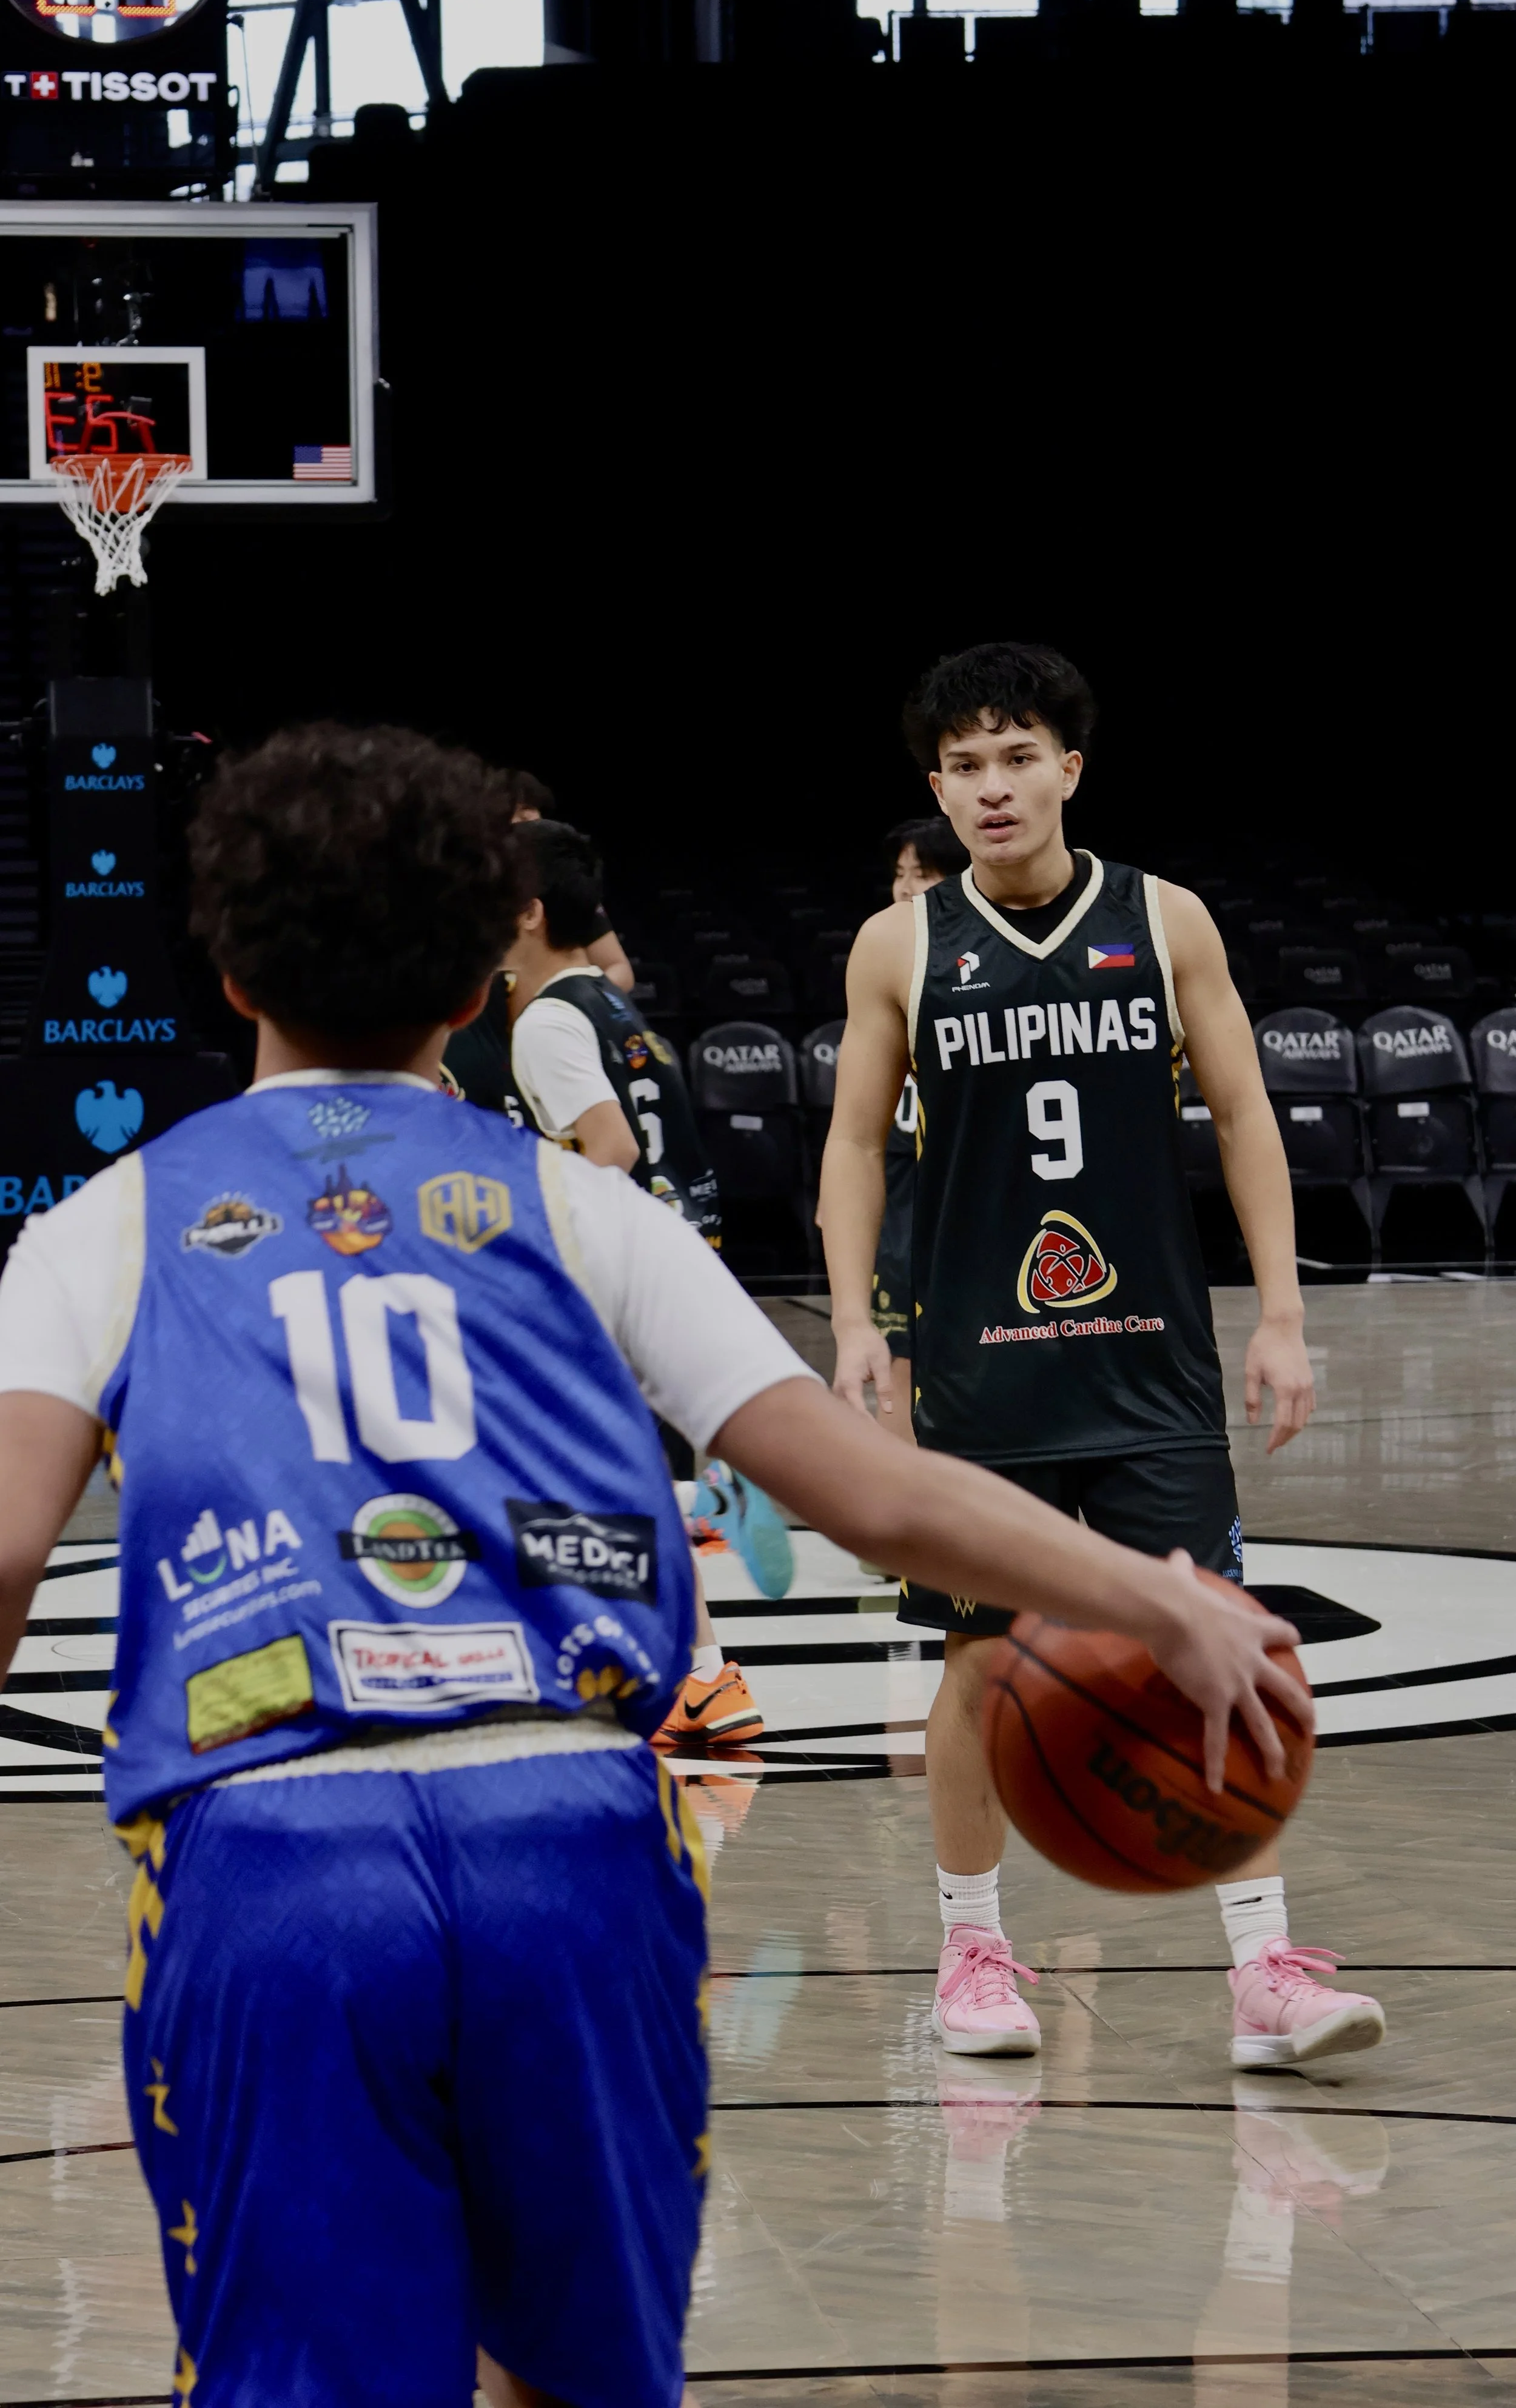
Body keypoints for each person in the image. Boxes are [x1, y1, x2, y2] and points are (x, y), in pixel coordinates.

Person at [0, 719, 1309, 2408]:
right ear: (486, 980)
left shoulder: (105, 1224)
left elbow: (9, 1553)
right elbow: (875, 1493)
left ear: (228, 963)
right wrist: (1162, 1592)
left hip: (273, 1854)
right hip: (573, 1850)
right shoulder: (579, 1209)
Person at [820, 641, 1384, 2072]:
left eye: (1018, 755)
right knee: (979, 1661)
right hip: (980, 1372)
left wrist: (1281, 1314)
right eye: (963, 764)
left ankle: (1264, 1973)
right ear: (934, 788)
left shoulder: (1164, 916)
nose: (992, 785)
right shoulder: (902, 944)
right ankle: (970, 1957)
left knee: (1212, 1656)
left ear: (1071, 766)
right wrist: (851, 1331)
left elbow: (1247, 1114)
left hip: (1150, 1364)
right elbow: (848, 1142)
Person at [503, 817, 766, 1748]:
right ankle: (689, 1671)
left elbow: (607, 1150)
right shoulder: (611, 1002)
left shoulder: (544, 1019)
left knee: (583, 1491)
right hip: (675, 1266)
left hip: (616, 1285)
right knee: (623, 1490)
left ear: (528, 914)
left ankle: (689, 1672)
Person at [873, 816, 969, 1442]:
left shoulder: (974, 966)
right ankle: (895, 1524)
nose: (906, 889)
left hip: (965, 1199)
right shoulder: (884, 960)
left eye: (923, 875)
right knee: (894, 1367)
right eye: (900, 875)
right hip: (901, 1195)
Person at [503, 774, 634, 991]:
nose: (518, 827)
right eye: (507, 819)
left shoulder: (567, 891)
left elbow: (618, 969)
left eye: (526, 817)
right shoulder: (475, 892)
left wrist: (575, 1002)